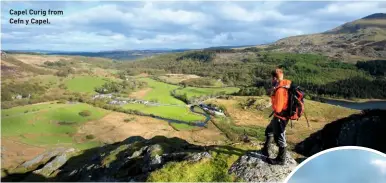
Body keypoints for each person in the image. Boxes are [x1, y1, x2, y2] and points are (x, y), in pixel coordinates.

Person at [261, 68, 291, 165]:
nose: (271, 80)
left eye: (272, 79)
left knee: (280, 137)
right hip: (280, 116)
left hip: (280, 118)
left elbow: (277, 108)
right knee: (269, 130)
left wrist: (273, 95)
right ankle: (266, 148)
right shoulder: (287, 84)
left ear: (274, 78)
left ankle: (280, 160)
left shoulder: (279, 90)